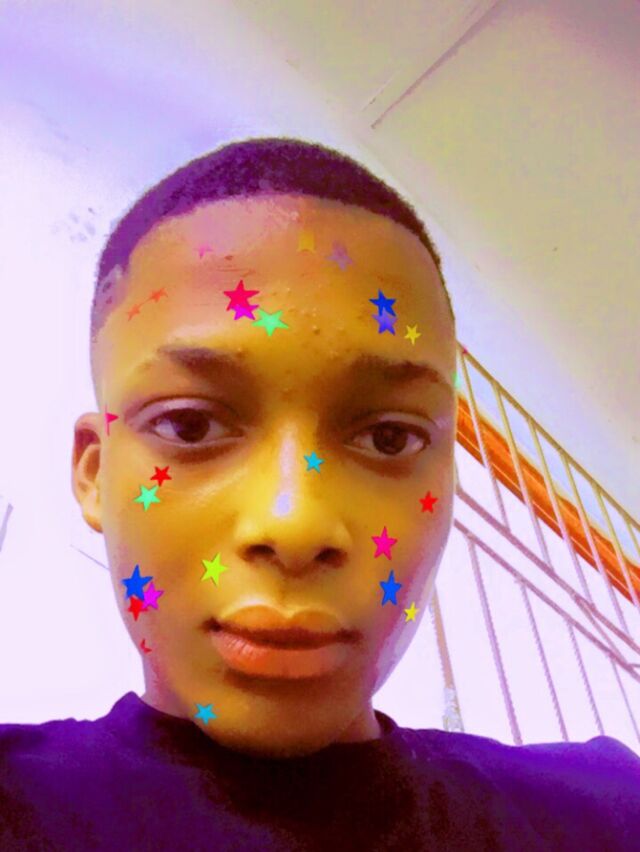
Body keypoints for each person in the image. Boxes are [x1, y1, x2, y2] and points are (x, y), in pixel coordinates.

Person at [1, 137, 638, 851]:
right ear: (93, 474)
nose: (294, 524)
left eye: (389, 438)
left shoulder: (607, 813)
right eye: (190, 425)